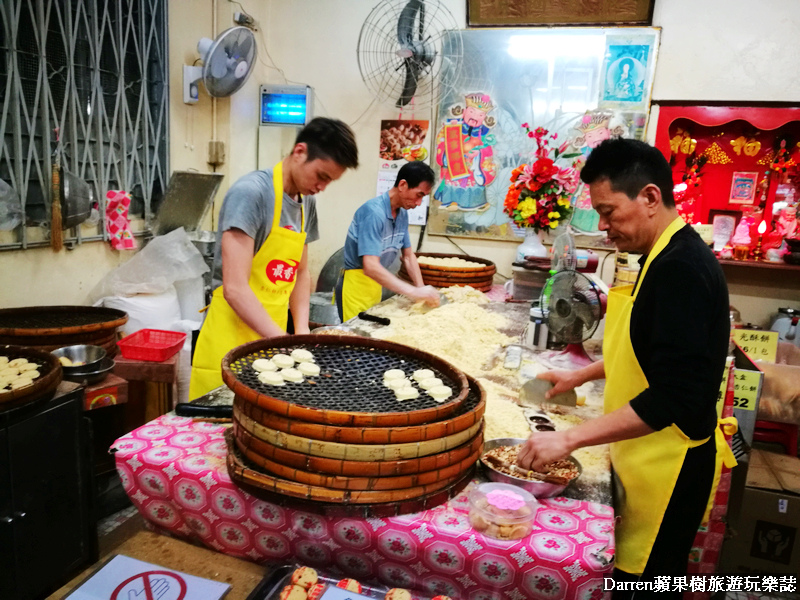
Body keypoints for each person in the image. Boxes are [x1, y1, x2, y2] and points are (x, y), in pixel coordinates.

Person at [516, 138, 736, 595]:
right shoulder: (659, 257)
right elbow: (649, 352)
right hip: (643, 451)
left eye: (609, 211)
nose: (604, 226)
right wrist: (579, 375)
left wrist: (569, 437)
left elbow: (675, 394)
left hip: (668, 466)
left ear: (650, 197)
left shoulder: (682, 269)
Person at [189, 118, 359, 398]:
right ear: (299, 152)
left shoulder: (306, 204)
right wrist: (281, 340)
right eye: (322, 176)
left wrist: (302, 330)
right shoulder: (252, 194)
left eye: (330, 181)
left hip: (271, 338)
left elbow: (300, 272)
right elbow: (235, 288)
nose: (322, 187)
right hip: (231, 336)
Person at [335, 161, 440, 322]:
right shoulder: (374, 212)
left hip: (375, 286)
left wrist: (421, 289)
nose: (419, 203)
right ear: (403, 185)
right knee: (355, 337)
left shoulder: (402, 215)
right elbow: (370, 266)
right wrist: (412, 292)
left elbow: (408, 256)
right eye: (419, 195)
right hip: (356, 285)